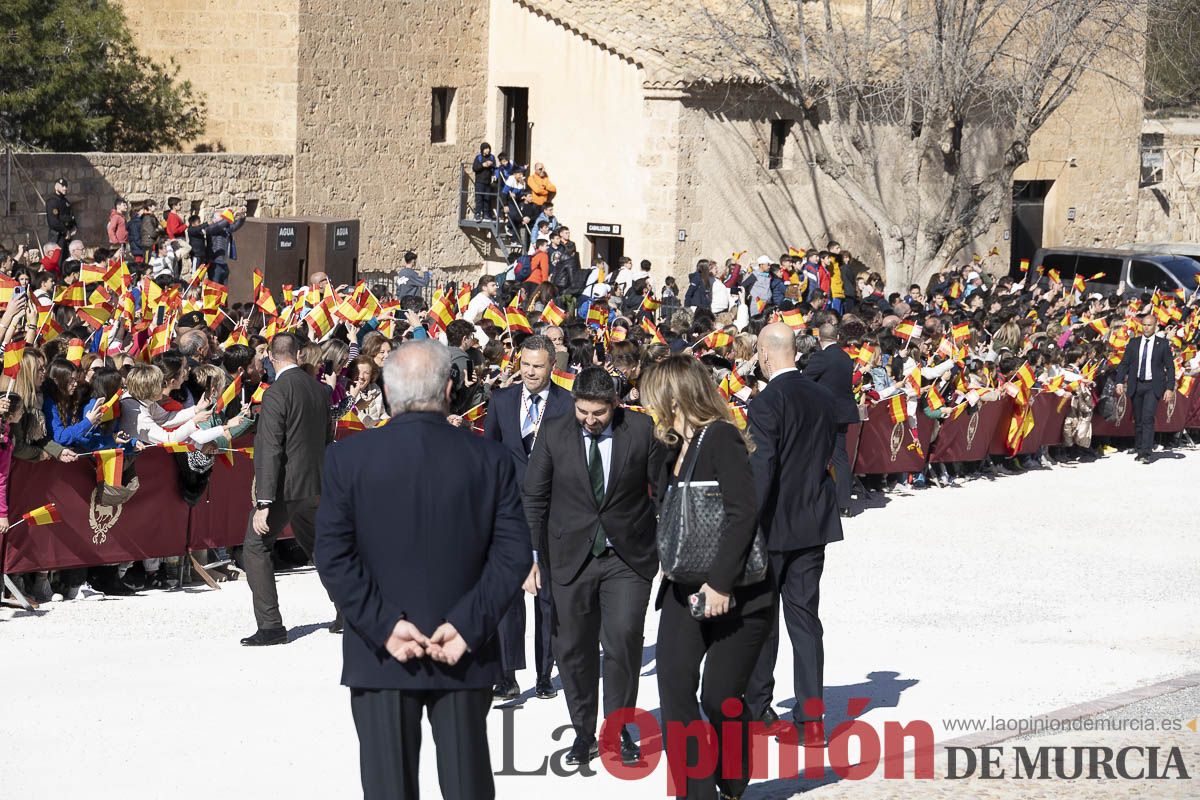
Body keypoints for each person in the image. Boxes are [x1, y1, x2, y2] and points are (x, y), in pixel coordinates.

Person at [314, 340, 530, 800]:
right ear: (450, 388)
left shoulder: (348, 459)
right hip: (460, 647)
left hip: (382, 651)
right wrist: (467, 624)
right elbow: (513, 554)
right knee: (467, 784)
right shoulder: (489, 458)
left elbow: (333, 555)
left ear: (389, 394)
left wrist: (384, 625)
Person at [641, 355, 772, 800]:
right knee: (675, 686)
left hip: (738, 590)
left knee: (719, 699)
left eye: (655, 396)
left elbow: (742, 513)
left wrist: (720, 583)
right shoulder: (671, 445)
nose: (650, 406)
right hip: (682, 586)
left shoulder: (721, 438)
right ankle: (696, 793)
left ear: (675, 395)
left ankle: (732, 780)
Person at [522, 366, 663, 766]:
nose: (590, 420)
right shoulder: (553, 432)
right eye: (583, 411)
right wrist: (529, 557)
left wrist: (667, 544)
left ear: (614, 405)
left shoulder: (641, 429)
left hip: (628, 557)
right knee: (573, 649)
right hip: (569, 557)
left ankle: (617, 729)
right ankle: (583, 732)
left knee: (623, 641)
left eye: (598, 413)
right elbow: (533, 498)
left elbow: (662, 492)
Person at [743, 322, 843, 743]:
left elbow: (762, 469)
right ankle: (813, 718)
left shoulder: (767, 402)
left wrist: (746, 521)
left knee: (763, 620)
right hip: (813, 521)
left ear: (765, 354)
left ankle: (758, 708)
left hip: (774, 526)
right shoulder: (823, 396)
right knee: (805, 620)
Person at [482, 335, 574, 701]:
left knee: (547, 596)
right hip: (507, 512)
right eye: (525, 364)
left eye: (537, 366)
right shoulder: (501, 400)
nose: (530, 372)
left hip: (552, 513)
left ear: (553, 366)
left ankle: (544, 672)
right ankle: (506, 673)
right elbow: (489, 452)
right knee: (506, 594)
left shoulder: (567, 404)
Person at [241, 332, 335, 645]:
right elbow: (326, 438)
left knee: (256, 545)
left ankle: (270, 625)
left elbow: (269, 447)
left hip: (285, 486)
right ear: (297, 353)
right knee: (320, 547)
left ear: (270, 355)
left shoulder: (276, 392)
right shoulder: (320, 389)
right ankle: (349, 610)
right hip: (315, 483)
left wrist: (264, 500)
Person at [803, 321, 859, 516]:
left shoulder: (821, 357)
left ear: (820, 339)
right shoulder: (846, 357)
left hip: (825, 414)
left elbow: (805, 380)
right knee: (840, 458)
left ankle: (815, 500)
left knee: (816, 455)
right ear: (836, 337)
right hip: (843, 413)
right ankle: (844, 503)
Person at [1115, 310, 1175, 463]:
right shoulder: (1134, 343)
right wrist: (1120, 381)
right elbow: (1124, 364)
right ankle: (1140, 447)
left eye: (1149, 325)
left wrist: (1170, 387)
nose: (1146, 328)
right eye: (1144, 325)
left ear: (1155, 326)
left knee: (1148, 418)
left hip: (1153, 386)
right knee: (1139, 418)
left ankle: (1146, 453)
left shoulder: (1162, 344)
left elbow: (1170, 366)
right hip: (1136, 384)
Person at [204, 207, 246, 286]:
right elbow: (220, 225)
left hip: (224, 263)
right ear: (215, 219)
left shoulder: (225, 229)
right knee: (215, 289)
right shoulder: (210, 228)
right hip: (214, 263)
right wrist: (231, 215)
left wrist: (242, 217)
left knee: (224, 290)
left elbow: (235, 226)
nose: (223, 219)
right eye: (221, 217)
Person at [45, 178, 76, 251]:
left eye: (66, 186)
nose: (65, 188)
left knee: (66, 260)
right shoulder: (52, 201)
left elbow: (70, 216)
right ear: (56, 187)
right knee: (58, 260)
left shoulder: (66, 202)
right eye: (62, 186)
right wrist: (66, 231)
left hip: (67, 237)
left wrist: (74, 226)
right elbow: (53, 222)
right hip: (57, 237)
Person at [472, 142, 498, 220]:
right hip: (480, 181)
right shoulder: (478, 158)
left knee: (487, 198)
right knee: (479, 198)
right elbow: (475, 168)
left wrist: (493, 171)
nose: (487, 150)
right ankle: (477, 214)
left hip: (488, 182)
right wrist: (483, 165)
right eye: (486, 149)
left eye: (488, 149)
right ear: (482, 150)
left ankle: (486, 214)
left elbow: (494, 167)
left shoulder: (492, 157)